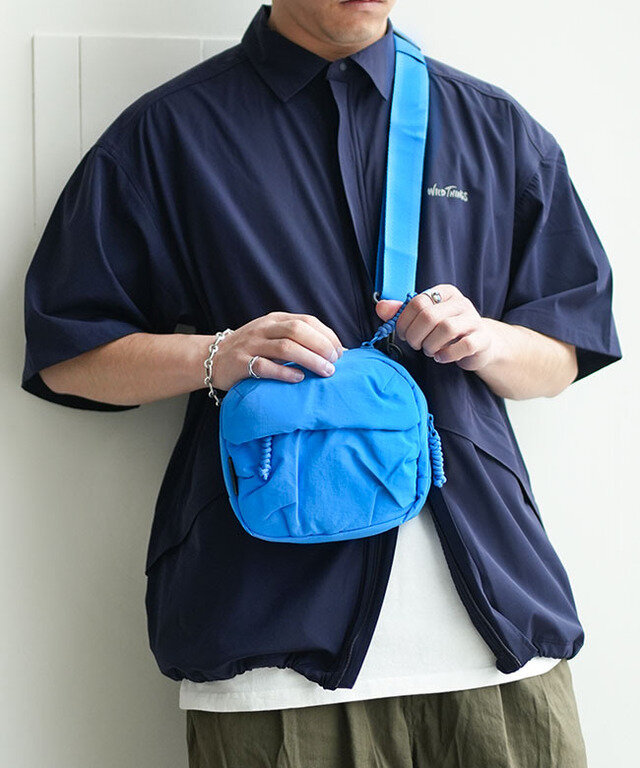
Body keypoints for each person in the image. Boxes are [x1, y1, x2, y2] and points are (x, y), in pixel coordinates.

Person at [20, 1, 622, 766]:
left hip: (499, 644)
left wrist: (486, 340)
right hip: (271, 661)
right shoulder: (169, 133)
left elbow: (566, 350)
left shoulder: (494, 127)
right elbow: (69, 353)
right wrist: (217, 355)